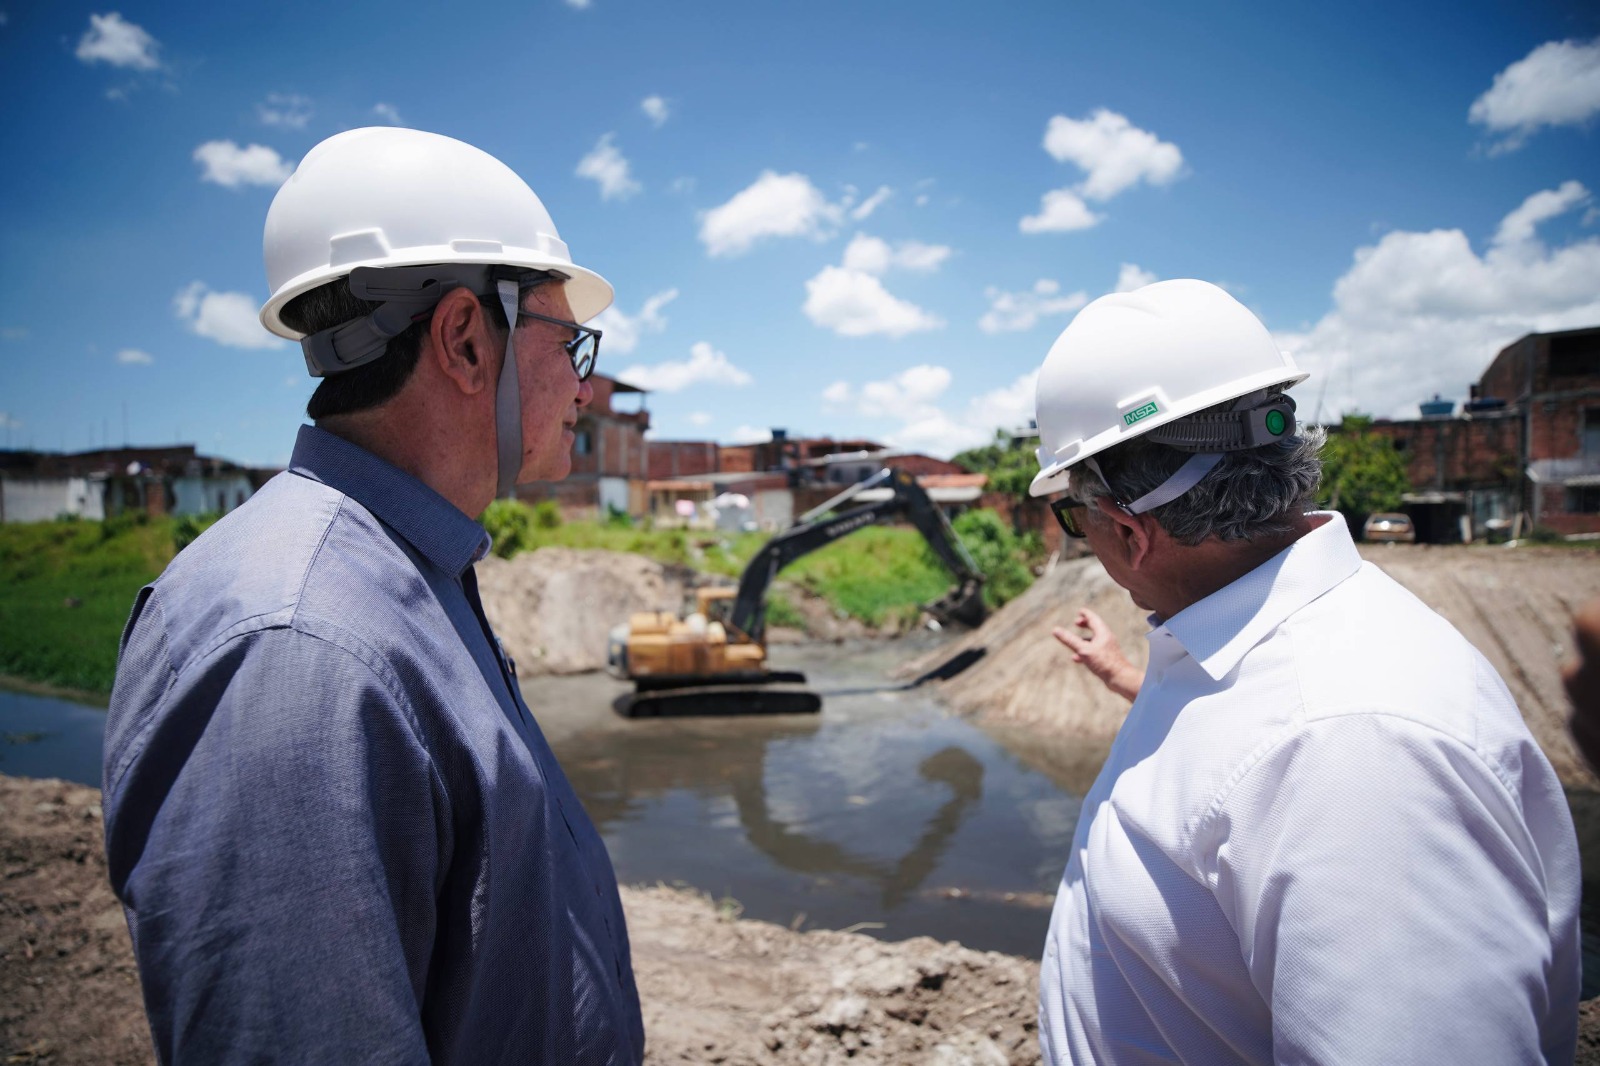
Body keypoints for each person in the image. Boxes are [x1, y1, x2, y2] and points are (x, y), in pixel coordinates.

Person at [101, 128, 644, 1064]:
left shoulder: (404, 576)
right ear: (467, 340)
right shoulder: (294, 643)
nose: (584, 390)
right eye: (569, 342)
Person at [1029, 280, 1580, 1064]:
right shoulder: (1249, 646)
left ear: (1125, 529)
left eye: (1071, 516)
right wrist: (1128, 680)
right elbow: (1230, 760)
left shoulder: (1353, 750)